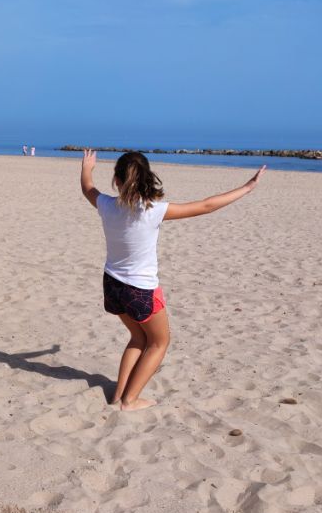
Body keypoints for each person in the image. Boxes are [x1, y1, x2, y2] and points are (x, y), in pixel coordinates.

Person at [80, 149, 263, 411]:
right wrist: (247, 187)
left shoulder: (107, 205)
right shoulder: (153, 211)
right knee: (159, 342)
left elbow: (87, 187)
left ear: (116, 180)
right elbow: (206, 206)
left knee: (137, 338)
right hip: (140, 290)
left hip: (112, 285)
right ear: (147, 179)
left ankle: (119, 395)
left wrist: (87, 168)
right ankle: (130, 401)